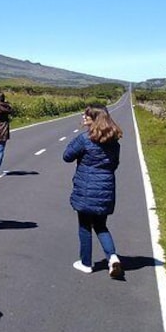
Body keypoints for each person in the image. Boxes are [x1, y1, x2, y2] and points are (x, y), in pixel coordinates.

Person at [63, 105, 124, 278]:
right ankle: (112, 257)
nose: (83, 117)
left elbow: (67, 156)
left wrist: (75, 141)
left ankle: (86, 263)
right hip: (106, 189)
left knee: (84, 226)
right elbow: (114, 165)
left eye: (87, 115)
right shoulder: (114, 143)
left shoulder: (84, 139)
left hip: (86, 188)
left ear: (94, 119)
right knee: (100, 225)